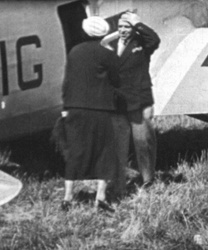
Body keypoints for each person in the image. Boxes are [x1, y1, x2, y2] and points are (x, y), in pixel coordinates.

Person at [61, 16, 120, 212]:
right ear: (104, 34)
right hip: (101, 109)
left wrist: (65, 106)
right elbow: (117, 81)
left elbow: (67, 81)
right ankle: (100, 197)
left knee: (75, 151)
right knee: (104, 151)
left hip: (75, 107)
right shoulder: (108, 54)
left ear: (85, 32)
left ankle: (67, 197)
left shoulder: (74, 52)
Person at [109, 12, 161, 188]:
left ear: (133, 28)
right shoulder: (109, 44)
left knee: (143, 141)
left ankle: (148, 179)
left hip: (138, 99)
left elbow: (154, 39)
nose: (123, 30)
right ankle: (118, 182)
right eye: (120, 26)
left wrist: (138, 23)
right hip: (118, 101)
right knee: (118, 143)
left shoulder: (142, 43)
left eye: (127, 26)